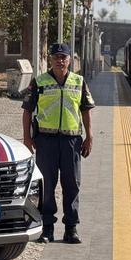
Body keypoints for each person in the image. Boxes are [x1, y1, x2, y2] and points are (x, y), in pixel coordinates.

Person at [22, 42, 96, 244]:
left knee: (72, 185)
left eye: (64, 57)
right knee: (46, 185)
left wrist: (89, 136)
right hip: (45, 141)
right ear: (51, 60)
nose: (60, 61)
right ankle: (47, 228)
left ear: (70, 60)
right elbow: (27, 110)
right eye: (56, 57)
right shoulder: (39, 82)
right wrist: (27, 138)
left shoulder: (79, 82)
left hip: (72, 140)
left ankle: (71, 229)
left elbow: (86, 110)